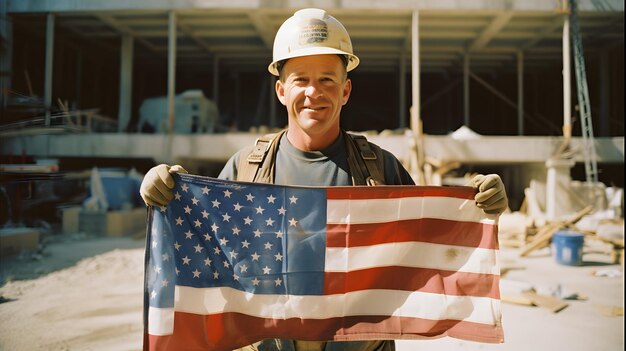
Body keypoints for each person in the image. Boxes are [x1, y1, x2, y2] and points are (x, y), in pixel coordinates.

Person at [140, 8, 508, 351]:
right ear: (281, 90)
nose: (313, 92)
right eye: (300, 80)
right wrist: (166, 193)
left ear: (345, 91)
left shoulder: (381, 169)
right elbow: (207, 253)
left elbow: (434, 247)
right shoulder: (244, 170)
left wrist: (479, 205)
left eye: (327, 80)